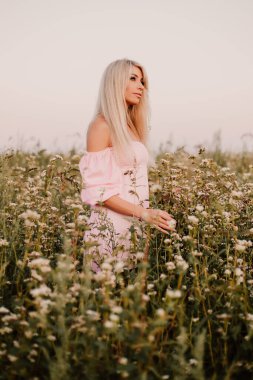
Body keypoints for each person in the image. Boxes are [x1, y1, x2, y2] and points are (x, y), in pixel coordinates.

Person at [79, 58, 176, 272]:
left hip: (136, 225)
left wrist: (145, 215)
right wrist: (143, 213)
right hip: (110, 229)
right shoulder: (101, 126)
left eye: (142, 81)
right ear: (115, 82)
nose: (141, 86)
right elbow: (98, 191)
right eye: (133, 78)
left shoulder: (131, 126)